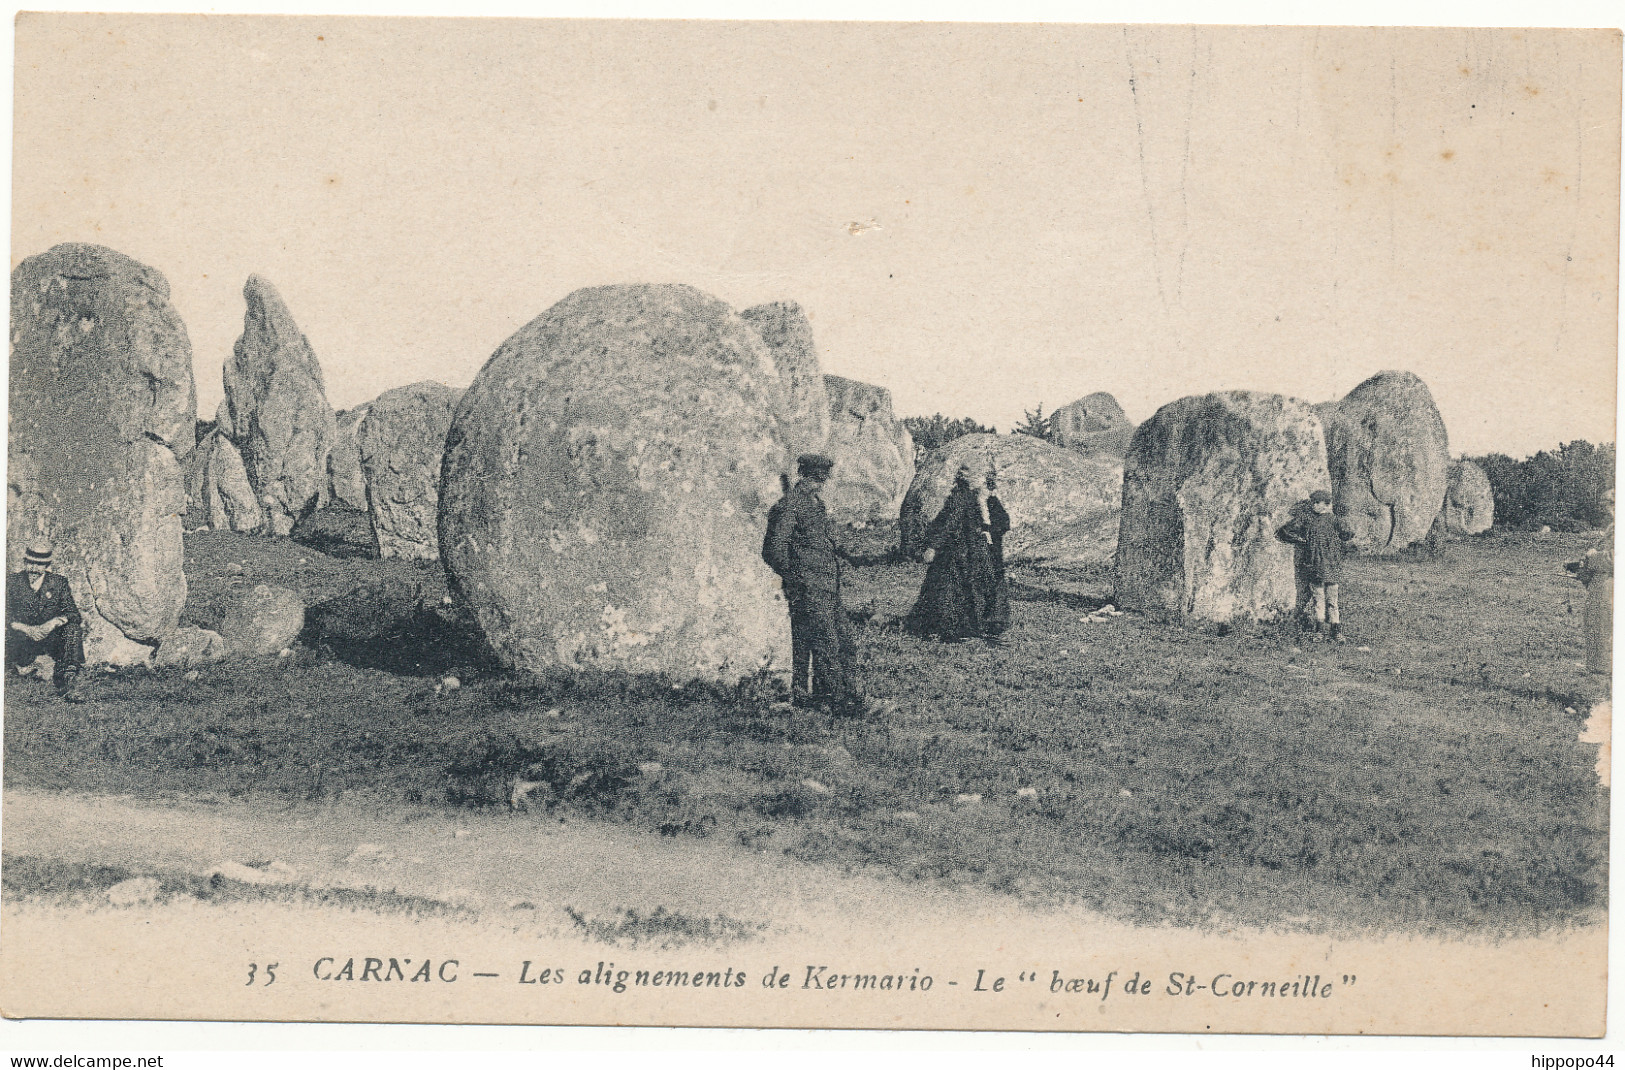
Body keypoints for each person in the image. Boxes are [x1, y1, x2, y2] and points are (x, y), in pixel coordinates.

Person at [763, 454, 870, 714]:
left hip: (827, 588)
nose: (819, 485)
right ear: (805, 477)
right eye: (814, 479)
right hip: (809, 588)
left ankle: (836, 697)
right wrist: (797, 577)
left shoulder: (816, 505)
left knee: (842, 641)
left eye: (821, 480)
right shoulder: (790, 506)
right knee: (825, 643)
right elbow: (773, 550)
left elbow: (826, 543)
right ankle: (837, 701)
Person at [906, 462, 1003, 641]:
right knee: (962, 589)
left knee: (948, 589)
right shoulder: (968, 497)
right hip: (965, 550)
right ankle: (963, 628)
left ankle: (948, 628)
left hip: (957, 551)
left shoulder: (960, 496)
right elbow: (953, 523)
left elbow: (949, 522)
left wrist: (933, 545)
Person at [1276, 490, 1356, 641]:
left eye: (1316, 503)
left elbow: (1348, 533)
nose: (1313, 505)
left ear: (1325, 504)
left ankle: (1336, 631)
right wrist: (1302, 541)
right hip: (1316, 565)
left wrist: (1336, 544)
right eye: (1313, 502)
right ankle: (1319, 631)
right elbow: (1283, 532)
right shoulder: (1307, 519)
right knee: (1318, 600)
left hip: (1330, 565)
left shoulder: (1333, 520)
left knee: (1332, 600)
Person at [7, 538, 85, 689]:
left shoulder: (58, 583)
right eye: (30, 562)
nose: (34, 568)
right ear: (25, 561)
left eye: (39, 564)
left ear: (47, 565)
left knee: (73, 629)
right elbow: (4, 614)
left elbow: (73, 613)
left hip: (49, 638)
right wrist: (26, 629)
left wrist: (53, 623)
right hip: (22, 638)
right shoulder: (12, 582)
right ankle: (23, 667)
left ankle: (69, 676)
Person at [1567, 489, 1614, 676]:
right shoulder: (1612, 528)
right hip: (1599, 584)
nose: (1607, 510)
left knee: (1604, 625)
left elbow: (1613, 559)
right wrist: (1581, 565)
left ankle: (1602, 667)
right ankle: (1595, 665)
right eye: (1605, 506)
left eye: (1610, 504)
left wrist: (1592, 557)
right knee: (1594, 623)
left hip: (1609, 584)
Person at [981, 468, 1012, 638]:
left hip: (991, 549)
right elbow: (1005, 524)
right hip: (992, 549)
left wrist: (988, 531)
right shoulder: (990, 501)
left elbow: (1004, 524)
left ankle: (993, 619)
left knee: (992, 581)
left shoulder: (991, 502)